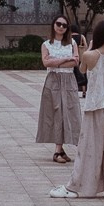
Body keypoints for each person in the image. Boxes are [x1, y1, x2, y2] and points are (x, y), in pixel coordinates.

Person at [52, 24, 104, 200]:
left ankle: (79, 186)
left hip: (95, 105)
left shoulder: (89, 54)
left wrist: (90, 48)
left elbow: (82, 69)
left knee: (90, 147)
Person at [36, 17, 82, 165]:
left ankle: (66, 148)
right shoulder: (46, 44)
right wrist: (65, 60)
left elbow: (75, 62)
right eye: (58, 24)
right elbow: (45, 63)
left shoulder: (72, 43)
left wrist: (55, 61)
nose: (61, 27)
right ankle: (57, 149)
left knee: (71, 112)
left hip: (69, 81)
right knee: (56, 113)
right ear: (53, 25)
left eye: (64, 25)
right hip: (53, 81)